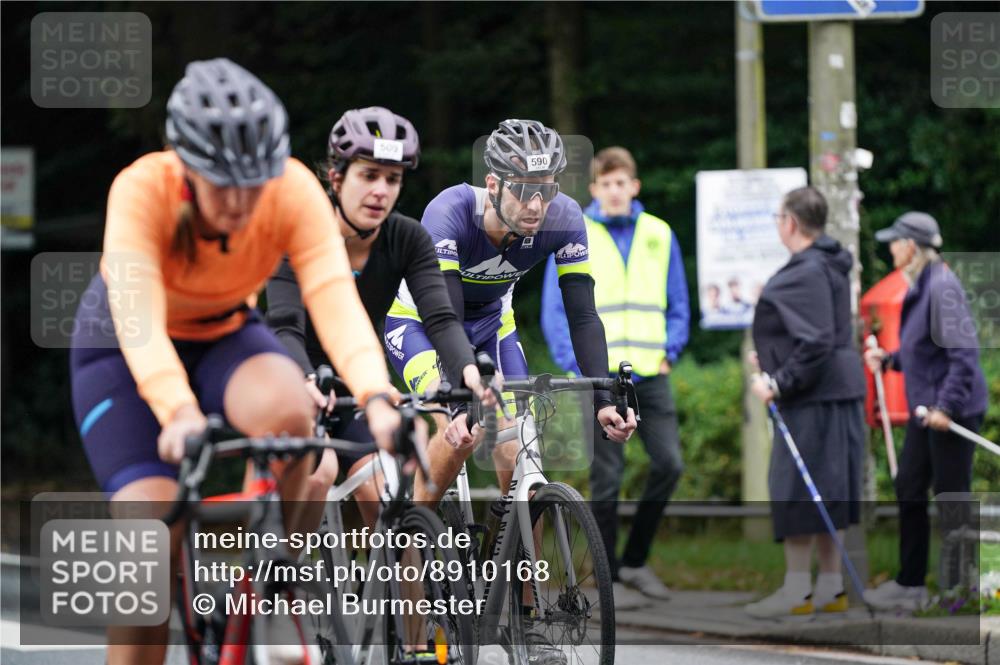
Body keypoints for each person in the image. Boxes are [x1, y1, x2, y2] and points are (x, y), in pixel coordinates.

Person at [69, 59, 400, 664]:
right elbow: (138, 318)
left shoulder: (291, 188)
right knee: (148, 546)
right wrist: (177, 410)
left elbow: (332, 296)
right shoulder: (143, 189)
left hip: (222, 329)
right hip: (122, 344)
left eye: (255, 184)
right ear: (186, 169)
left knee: (292, 416)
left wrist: (377, 395)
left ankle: (269, 589)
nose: (243, 203)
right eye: (224, 186)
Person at [383, 119, 637, 664]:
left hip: (493, 329)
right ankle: (413, 599)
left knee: (522, 456)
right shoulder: (450, 212)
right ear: (494, 184)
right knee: (458, 437)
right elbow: (444, 313)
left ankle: (526, 621)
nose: (537, 204)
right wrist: (459, 397)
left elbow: (582, 313)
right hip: (424, 324)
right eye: (524, 189)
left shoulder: (564, 218)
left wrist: (604, 398)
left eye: (547, 189)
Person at [266, 106, 491, 528]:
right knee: (318, 473)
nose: (381, 191)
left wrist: (468, 372)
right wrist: (306, 378)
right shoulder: (300, 232)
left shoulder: (407, 238)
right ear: (337, 178)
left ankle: (400, 574)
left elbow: (440, 319)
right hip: (293, 377)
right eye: (369, 175)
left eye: (392, 179)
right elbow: (283, 325)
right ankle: (282, 567)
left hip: (356, 380)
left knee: (390, 504)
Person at [540, 146, 688, 601]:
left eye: (621, 182)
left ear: (634, 186)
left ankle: (635, 562)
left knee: (669, 465)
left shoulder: (659, 233)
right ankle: (610, 579)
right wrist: (575, 364)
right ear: (594, 189)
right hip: (600, 377)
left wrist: (670, 351)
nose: (614, 191)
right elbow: (555, 309)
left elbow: (678, 301)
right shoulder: (576, 231)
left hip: (650, 372)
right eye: (606, 184)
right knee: (607, 480)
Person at [745, 186, 866, 618]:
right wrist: (774, 357)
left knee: (796, 490)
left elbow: (815, 341)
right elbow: (820, 331)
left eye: (779, 217)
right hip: (838, 390)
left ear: (791, 222)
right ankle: (829, 588)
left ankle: (797, 590)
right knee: (830, 490)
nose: (778, 225)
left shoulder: (806, 270)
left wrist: (778, 382)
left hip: (813, 397)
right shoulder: (831, 263)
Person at [863, 212, 988, 610]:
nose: (890, 248)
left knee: (951, 496)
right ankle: (910, 584)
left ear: (912, 247)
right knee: (909, 486)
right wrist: (890, 360)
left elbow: (964, 355)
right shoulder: (922, 285)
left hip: (951, 411)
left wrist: (946, 406)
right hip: (926, 410)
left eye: (895, 242)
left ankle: (959, 590)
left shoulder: (941, 287)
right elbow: (925, 351)